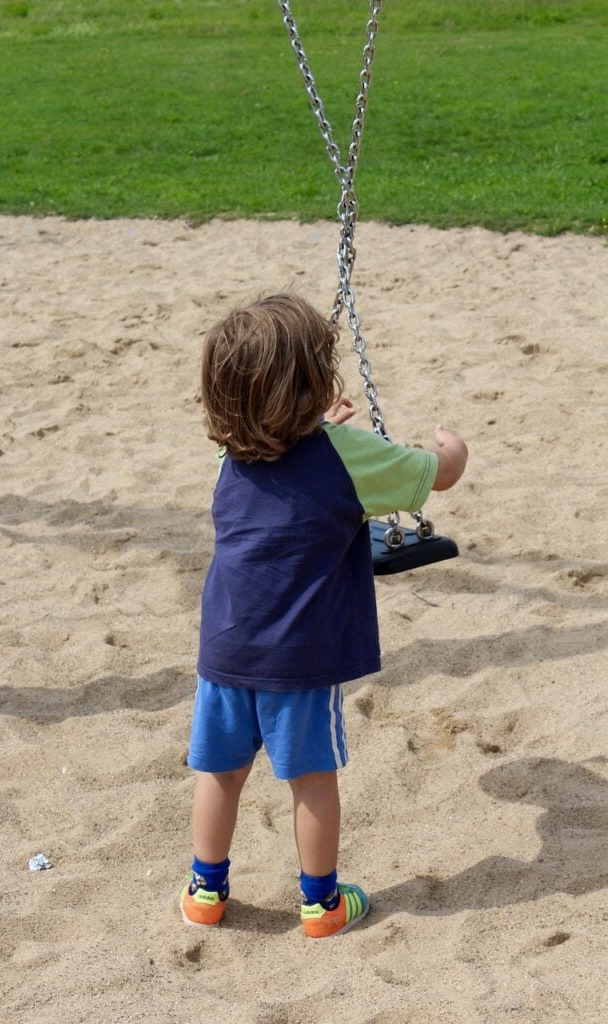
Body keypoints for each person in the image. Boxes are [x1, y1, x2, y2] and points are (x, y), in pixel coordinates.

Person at [180, 293, 468, 938]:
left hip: (224, 652)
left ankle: (206, 892)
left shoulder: (231, 455)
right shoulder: (348, 454)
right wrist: (455, 449)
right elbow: (437, 476)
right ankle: (321, 904)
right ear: (313, 385)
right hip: (300, 660)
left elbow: (290, 462)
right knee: (311, 780)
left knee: (220, 772)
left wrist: (320, 426)